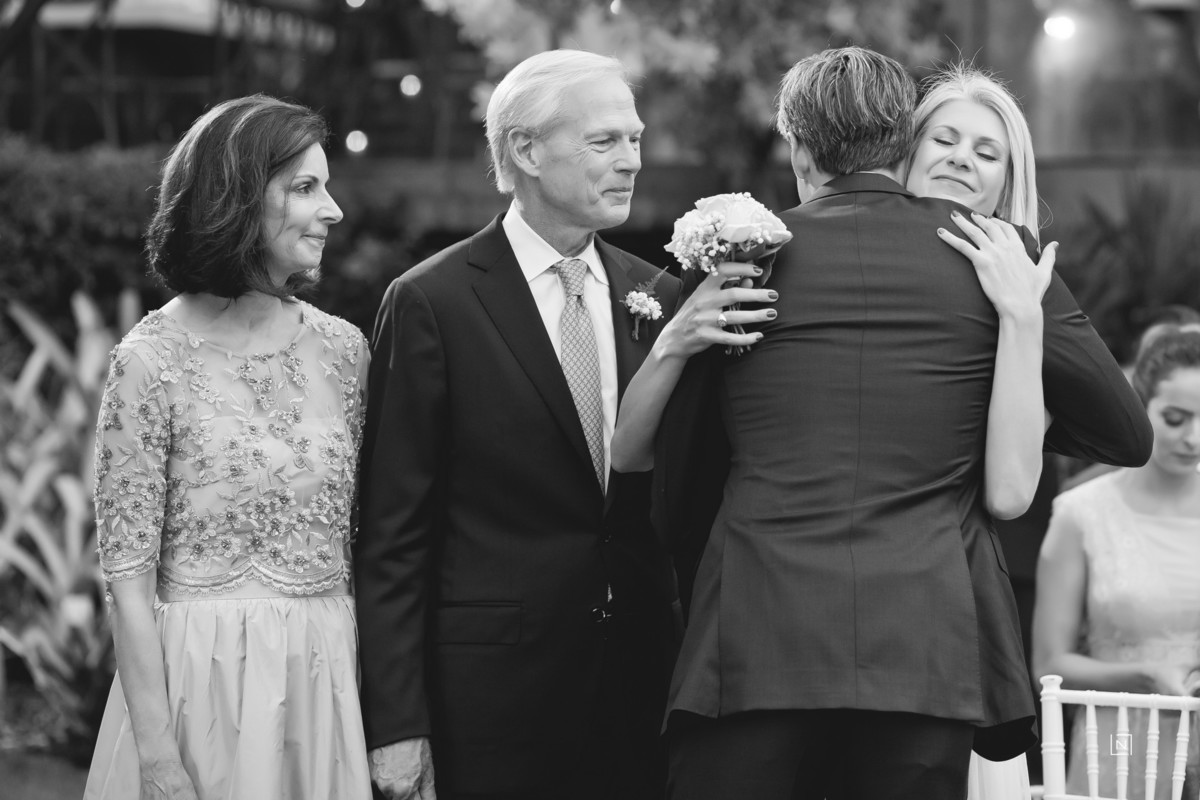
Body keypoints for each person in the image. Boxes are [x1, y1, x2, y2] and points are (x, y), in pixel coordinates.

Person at [650, 47, 1151, 800]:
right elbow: (1124, 433)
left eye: (987, 152)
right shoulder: (1003, 262)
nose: (961, 160)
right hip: (924, 650)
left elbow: (681, 468)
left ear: (803, 147)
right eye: (944, 139)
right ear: (901, 144)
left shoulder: (744, 255)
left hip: (755, 636)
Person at [353, 49, 683, 800]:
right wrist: (397, 723)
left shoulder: (658, 296)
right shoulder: (431, 302)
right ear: (527, 150)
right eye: (604, 141)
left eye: (634, 139)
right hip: (491, 703)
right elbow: (393, 535)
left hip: (640, 694)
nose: (632, 160)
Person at [83, 95, 371, 799]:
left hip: (321, 684)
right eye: (305, 188)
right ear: (236, 198)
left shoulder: (345, 351)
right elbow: (127, 580)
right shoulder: (148, 361)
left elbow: (370, 543)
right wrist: (157, 755)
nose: (332, 210)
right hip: (197, 694)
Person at [1033, 327, 1200, 800]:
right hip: (1118, 741)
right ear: (1140, 407)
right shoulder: (1081, 512)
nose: (1193, 438)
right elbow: (1048, 664)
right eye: (1175, 419)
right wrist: (1143, 676)